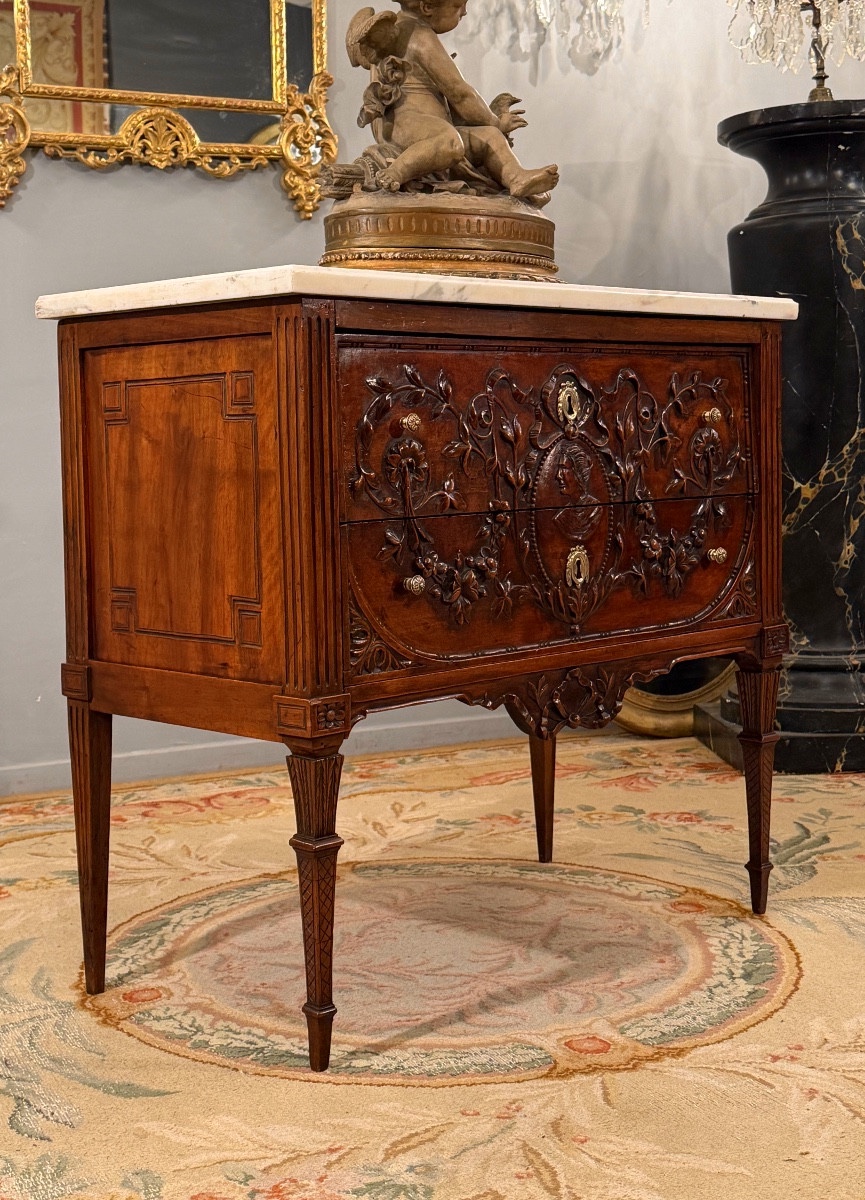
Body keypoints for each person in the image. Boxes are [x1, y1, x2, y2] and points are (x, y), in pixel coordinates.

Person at [347, 0, 559, 199]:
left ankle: (516, 177)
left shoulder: (398, 31)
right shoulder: (419, 36)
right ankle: (397, 171)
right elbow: (460, 93)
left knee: (490, 137)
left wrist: (492, 127)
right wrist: (497, 121)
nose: (464, 12)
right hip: (406, 124)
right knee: (450, 141)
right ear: (427, 6)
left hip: (429, 126)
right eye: (458, 5)